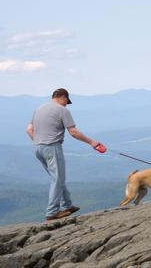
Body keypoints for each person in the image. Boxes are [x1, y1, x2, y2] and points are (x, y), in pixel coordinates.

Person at [26, 88, 106, 221]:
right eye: (66, 101)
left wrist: (39, 142)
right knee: (57, 179)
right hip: (52, 147)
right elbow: (73, 132)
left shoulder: (39, 109)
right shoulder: (62, 110)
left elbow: (29, 130)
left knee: (58, 178)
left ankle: (67, 205)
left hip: (38, 148)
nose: (66, 104)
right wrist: (92, 143)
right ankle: (52, 212)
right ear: (62, 97)